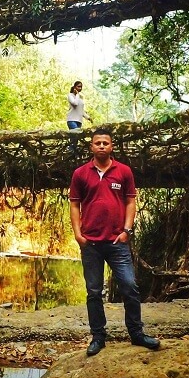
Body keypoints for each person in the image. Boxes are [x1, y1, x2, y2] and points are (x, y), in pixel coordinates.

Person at [69, 128, 160, 356]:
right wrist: (78, 234)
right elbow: (74, 205)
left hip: (117, 242)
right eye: (97, 143)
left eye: (105, 143)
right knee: (93, 291)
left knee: (129, 286)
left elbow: (130, 202)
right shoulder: (80, 173)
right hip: (90, 243)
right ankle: (98, 337)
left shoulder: (124, 172)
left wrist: (127, 230)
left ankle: (137, 334)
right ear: (91, 147)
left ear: (112, 147)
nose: (101, 146)